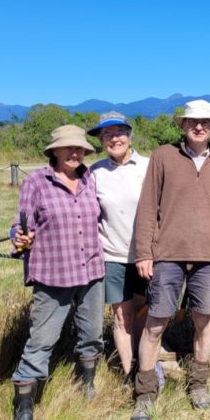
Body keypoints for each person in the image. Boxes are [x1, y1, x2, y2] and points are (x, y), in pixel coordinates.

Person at [130, 100, 210, 420]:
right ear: (183, 125)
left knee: (204, 319)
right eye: (192, 121)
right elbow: (147, 207)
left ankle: (199, 385)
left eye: (205, 122)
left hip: (209, 255)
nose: (199, 127)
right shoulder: (163, 156)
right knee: (156, 321)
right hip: (167, 254)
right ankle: (145, 393)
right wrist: (144, 252)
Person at [10, 125, 105, 420]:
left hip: (91, 270)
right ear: (54, 151)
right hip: (53, 273)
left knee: (92, 333)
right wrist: (20, 237)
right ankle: (24, 409)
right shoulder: (37, 181)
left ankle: (86, 386)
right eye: (68, 148)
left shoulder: (90, 178)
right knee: (42, 340)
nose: (75, 153)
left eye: (79, 149)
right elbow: (19, 225)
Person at [87, 111, 150, 380]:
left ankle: (145, 366)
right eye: (107, 135)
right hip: (112, 254)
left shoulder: (149, 166)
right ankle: (128, 373)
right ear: (101, 140)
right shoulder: (95, 172)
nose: (115, 139)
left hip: (147, 254)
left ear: (129, 134)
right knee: (122, 316)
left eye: (119, 132)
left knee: (146, 312)